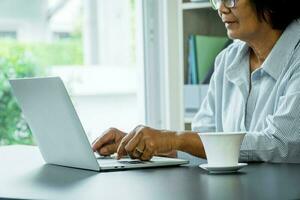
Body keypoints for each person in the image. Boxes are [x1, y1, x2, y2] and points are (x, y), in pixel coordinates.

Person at [92, 0, 300, 163]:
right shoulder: (226, 60)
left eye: (231, 0)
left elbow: (280, 143)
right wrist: (138, 145)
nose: (221, 8)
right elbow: (201, 147)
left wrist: (174, 137)